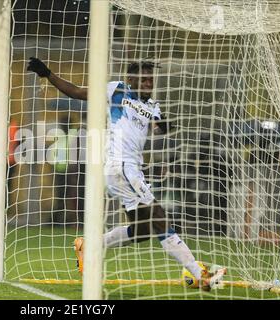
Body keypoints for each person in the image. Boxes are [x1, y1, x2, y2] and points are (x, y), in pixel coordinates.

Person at [27, 57, 226, 290]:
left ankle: (90, 245)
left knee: (142, 233)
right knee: (160, 218)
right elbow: (78, 92)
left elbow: (158, 126)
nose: (149, 81)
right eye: (144, 78)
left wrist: (166, 126)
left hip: (132, 171)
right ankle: (198, 273)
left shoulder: (152, 105)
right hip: (120, 167)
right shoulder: (117, 90)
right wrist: (48, 74)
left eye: (151, 78)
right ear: (131, 79)